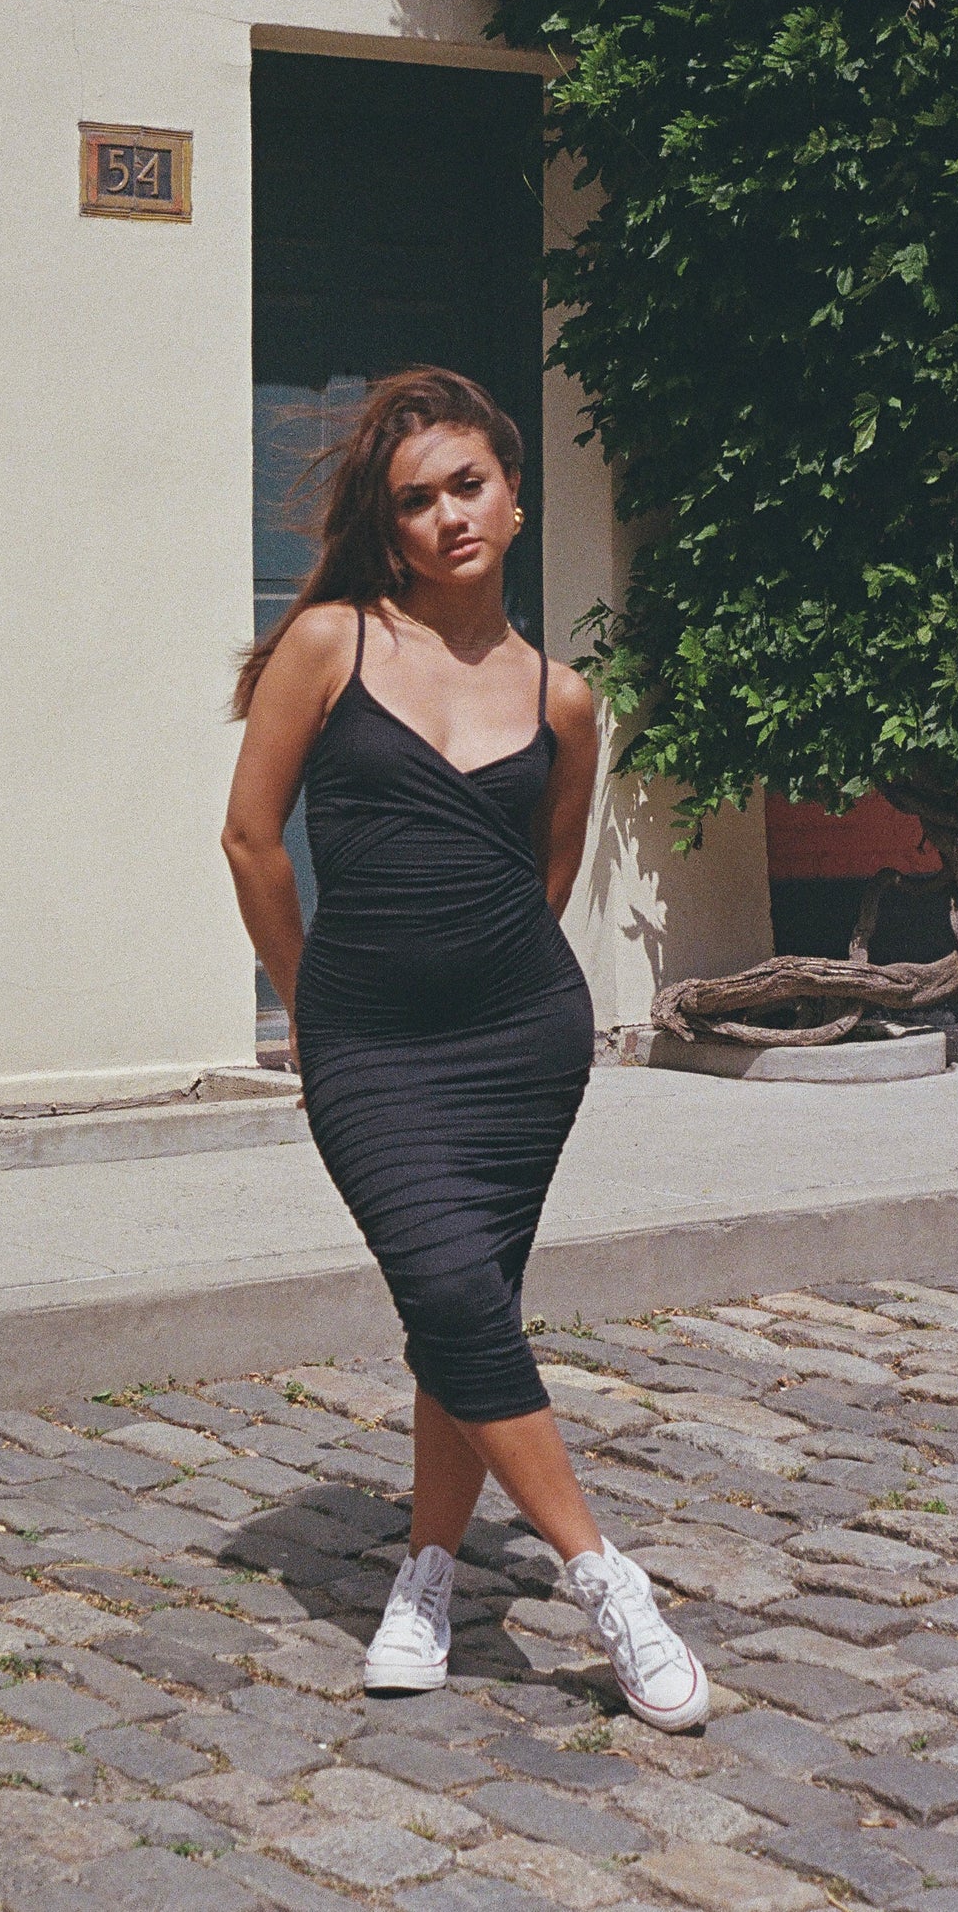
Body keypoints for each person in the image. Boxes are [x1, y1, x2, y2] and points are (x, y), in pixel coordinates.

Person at [222, 368, 707, 1731]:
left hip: (518, 1039)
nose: (448, 516)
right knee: (445, 1276)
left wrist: (495, 985)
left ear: (514, 486)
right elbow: (251, 841)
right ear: (390, 528)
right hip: (368, 1045)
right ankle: (604, 1575)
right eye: (416, 499)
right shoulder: (333, 645)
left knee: (462, 1310)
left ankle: (426, 1574)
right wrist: (313, 997)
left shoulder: (564, 699)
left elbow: (539, 882)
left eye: (468, 484)